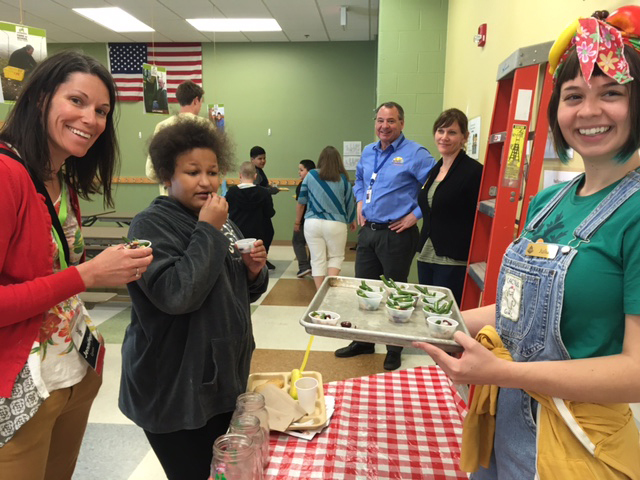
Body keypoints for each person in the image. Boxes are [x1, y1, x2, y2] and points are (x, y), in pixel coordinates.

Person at [415, 8, 640, 477]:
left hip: (580, 439)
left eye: (612, 94)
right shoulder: (546, 202)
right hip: (504, 426)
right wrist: (420, 318)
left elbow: (635, 371)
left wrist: (502, 373)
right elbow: (518, 314)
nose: (589, 111)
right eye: (573, 95)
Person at [0, 50, 153, 479]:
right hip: (21, 389)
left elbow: (57, 270)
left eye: (102, 110)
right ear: (40, 98)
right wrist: (87, 275)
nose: (91, 119)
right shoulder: (5, 174)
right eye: (77, 101)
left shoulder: (60, 178)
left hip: (72, 372)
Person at [119, 118, 268, 480]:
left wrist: (252, 270)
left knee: (218, 471)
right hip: (173, 388)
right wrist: (207, 228)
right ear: (167, 175)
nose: (206, 181)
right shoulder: (150, 224)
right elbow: (178, 294)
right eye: (192, 172)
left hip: (219, 379)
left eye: (213, 171)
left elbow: (236, 289)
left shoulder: (221, 220)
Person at [334, 101, 435, 371]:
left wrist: (415, 214)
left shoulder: (416, 153)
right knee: (366, 291)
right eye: (380, 120)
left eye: (391, 121)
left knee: (394, 292)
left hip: (397, 234)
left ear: (402, 123)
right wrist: (358, 203)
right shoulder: (368, 151)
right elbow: (360, 180)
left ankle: (394, 347)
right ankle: (364, 341)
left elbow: (435, 186)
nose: (384, 126)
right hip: (369, 232)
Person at [417, 109, 482, 305]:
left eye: (452, 132)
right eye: (440, 131)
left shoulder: (474, 172)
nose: (444, 137)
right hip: (426, 256)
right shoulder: (436, 169)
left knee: (445, 317)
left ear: (465, 137)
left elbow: (479, 219)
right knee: (428, 313)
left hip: (453, 261)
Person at [296, 147, 356, 289]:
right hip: (336, 223)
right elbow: (349, 202)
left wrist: (297, 222)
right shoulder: (343, 178)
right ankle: (330, 290)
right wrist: (352, 220)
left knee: (317, 260)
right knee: (336, 257)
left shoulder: (310, 176)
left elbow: (301, 201)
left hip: (312, 223)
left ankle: (319, 292)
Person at [145, 80, 208, 195]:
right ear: (196, 100)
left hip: (170, 196)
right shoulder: (205, 126)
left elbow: (151, 170)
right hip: (199, 194)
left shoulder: (162, 126)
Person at [226, 161, 276, 252]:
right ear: (255, 176)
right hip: (258, 234)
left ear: (240, 175)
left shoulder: (232, 192)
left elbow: (226, 210)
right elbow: (270, 213)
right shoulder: (264, 193)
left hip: (237, 233)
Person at [250, 146, 278, 269]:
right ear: (252, 159)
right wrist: (269, 190)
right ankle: (261, 259)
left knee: (268, 232)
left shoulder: (260, 171)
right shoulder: (254, 172)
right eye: (259, 158)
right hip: (258, 209)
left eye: (264, 158)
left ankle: (263, 258)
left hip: (263, 208)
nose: (263, 161)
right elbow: (256, 189)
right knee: (266, 233)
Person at [293, 159, 316, 278]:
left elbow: (301, 205)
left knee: (297, 241)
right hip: (316, 220)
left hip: (304, 220)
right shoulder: (318, 183)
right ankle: (313, 266)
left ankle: (303, 267)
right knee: (314, 243)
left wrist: (297, 222)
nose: (299, 172)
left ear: (309, 171)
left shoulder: (303, 185)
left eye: (301, 170)